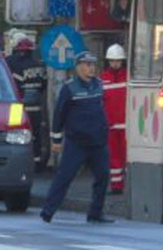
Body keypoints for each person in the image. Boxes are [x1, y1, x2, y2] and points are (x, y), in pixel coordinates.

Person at [40, 51, 114, 224]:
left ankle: (95, 214)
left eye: (93, 65)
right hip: (77, 143)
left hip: (98, 142)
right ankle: (48, 211)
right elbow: (59, 115)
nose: (91, 68)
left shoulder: (98, 85)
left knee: (103, 177)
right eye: (87, 65)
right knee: (65, 177)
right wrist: (56, 140)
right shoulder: (70, 88)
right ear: (78, 67)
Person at [5, 36, 49, 168]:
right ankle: (36, 162)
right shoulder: (40, 66)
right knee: (36, 135)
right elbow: (43, 86)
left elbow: (12, 86)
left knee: (14, 134)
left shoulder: (14, 65)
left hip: (16, 107)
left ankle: (16, 163)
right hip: (36, 107)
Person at [100, 44, 128, 194]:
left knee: (126, 157)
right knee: (114, 158)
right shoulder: (102, 80)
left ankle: (129, 186)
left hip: (126, 126)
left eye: (118, 61)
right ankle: (117, 186)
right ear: (108, 61)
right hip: (110, 126)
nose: (115, 63)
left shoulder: (129, 77)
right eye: (112, 61)